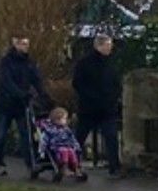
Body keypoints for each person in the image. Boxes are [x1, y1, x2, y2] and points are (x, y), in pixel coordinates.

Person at [0, 34, 48, 176]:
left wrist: (43, 95)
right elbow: (6, 82)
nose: (25, 47)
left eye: (27, 44)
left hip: (22, 105)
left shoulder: (29, 62)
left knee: (27, 135)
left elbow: (36, 80)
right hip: (6, 104)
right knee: (1, 136)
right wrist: (20, 93)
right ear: (15, 44)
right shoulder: (6, 62)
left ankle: (31, 164)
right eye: (23, 44)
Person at [71, 32, 124, 176]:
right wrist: (92, 97)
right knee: (80, 137)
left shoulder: (110, 64)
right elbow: (78, 83)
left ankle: (114, 167)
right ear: (99, 46)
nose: (110, 48)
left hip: (107, 108)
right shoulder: (84, 63)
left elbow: (116, 84)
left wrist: (114, 97)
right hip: (89, 108)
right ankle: (70, 163)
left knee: (111, 137)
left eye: (110, 45)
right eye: (107, 45)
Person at [37, 106, 87, 182]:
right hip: (56, 147)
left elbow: (72, 139)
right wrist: (42, 150)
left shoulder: (66, 130)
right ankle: (64, 167)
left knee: (71, 151)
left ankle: (76, 168)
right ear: (56, 120)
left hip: (67, 145)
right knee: (64, 151)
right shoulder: (50, 130)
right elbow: (44, 140)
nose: (65, 121)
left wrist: (76, 146)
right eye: (64, 119)